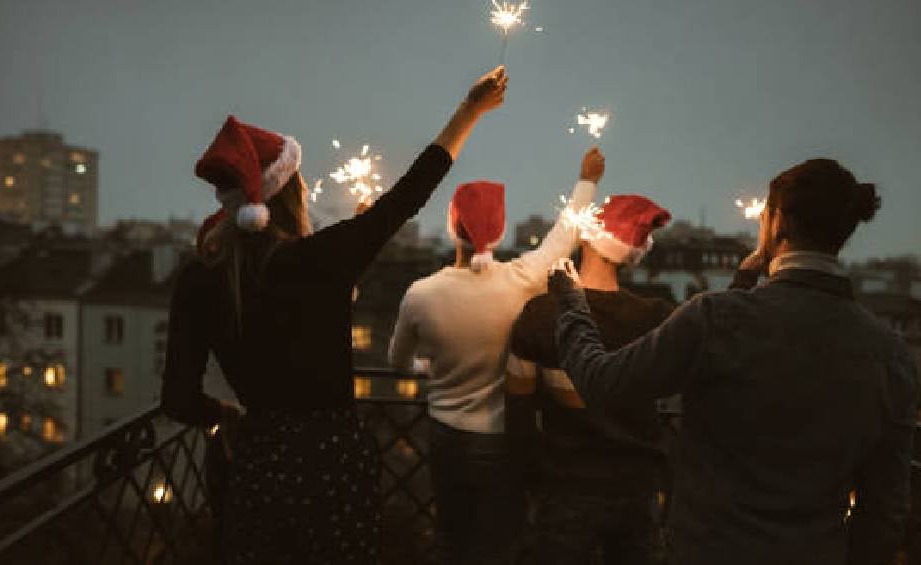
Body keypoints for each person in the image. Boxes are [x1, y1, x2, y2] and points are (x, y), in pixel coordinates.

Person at [160, 66, 509, 564]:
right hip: (332, 462)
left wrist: (227, 416)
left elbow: (177, 397)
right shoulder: (318, 259)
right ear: (289, 192)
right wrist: (469, 111)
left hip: (257, 464)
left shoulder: (200, 277)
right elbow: (410, 193)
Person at [546, 158, 916, 565]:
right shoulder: (889, 354)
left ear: (777, 223)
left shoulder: (715, 319)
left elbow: (602, 382)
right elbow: (883, 510)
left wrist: (571, 302)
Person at [388, 147, 605, 564]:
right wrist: (587, 180)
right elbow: (564, 235)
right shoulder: (522, 280)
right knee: (499, 547)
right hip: (503, 438)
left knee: (451, 539)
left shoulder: (421, 295)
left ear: (453, 226)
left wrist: (426, 368)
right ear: (500, 230)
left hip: (445, 435)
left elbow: (398, 363)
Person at [506, 194, 674, 565]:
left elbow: (517, 410)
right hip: (637, 486)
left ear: (586, 235)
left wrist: (532, 477)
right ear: (635, 253)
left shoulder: (541, 314)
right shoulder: (657, 318)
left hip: (565, 485)